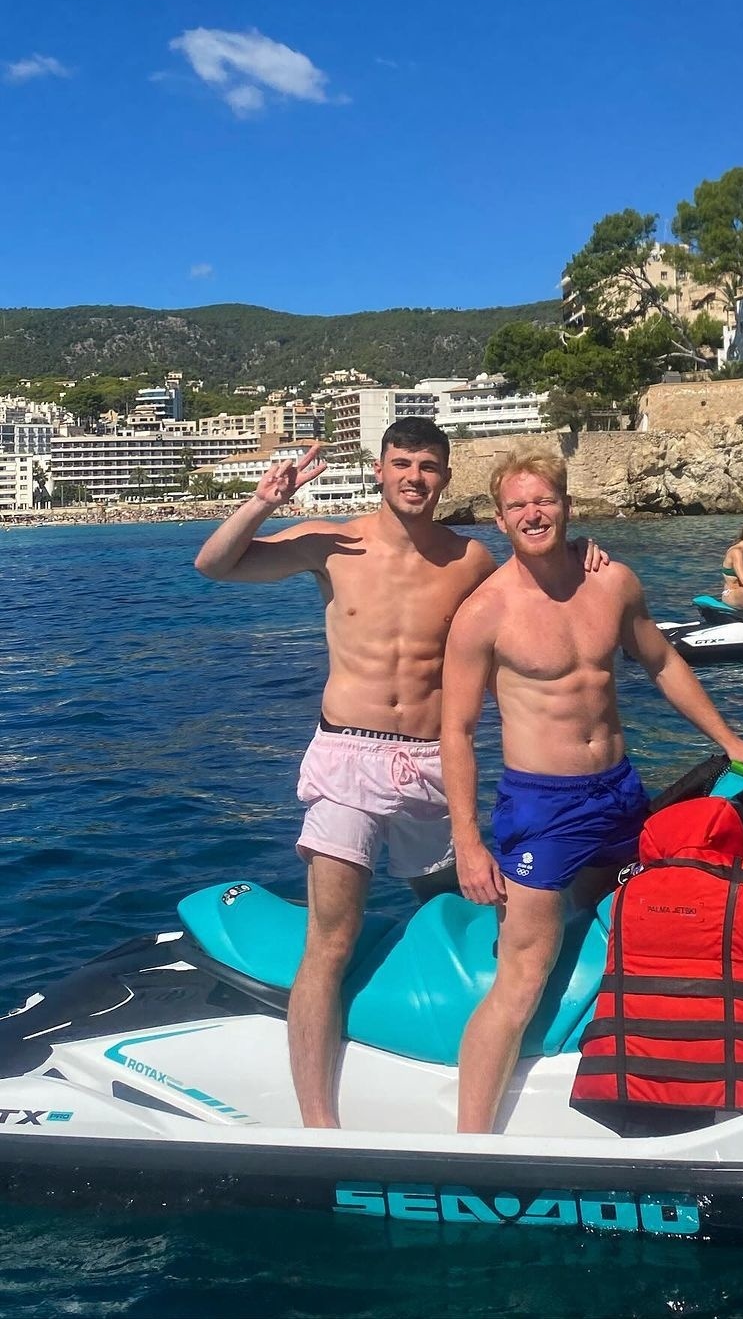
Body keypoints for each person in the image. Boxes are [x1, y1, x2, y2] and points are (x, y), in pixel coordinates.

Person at [193, 419, 605, 1130]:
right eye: (403, 463)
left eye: (429, 466)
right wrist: (263, 502)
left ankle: (461, 1059)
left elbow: (538, 579)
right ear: (380, 469)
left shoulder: (469, 558)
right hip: (348, 758)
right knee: (332, 939)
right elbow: (216, 565)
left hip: (432, 765)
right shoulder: (332, 542)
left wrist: (581, 550)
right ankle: (319, 1124)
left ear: (445, 477)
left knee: (469, 915)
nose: (415, 477)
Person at [440, 441, 743, 1136]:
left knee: (628, 934)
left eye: (544, 500)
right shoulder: (485, 612)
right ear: (499, 520)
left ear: (567, 506)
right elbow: (457, 730)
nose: (533, 514)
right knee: (522, 976)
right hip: (543, 807)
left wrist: (729, 740)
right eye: (517, 506)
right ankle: (471, 1142)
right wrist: (467, 842)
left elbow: (662, 662)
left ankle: (623, 1076)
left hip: (619, 792)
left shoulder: (613, 581)